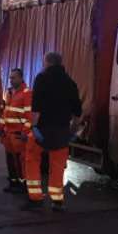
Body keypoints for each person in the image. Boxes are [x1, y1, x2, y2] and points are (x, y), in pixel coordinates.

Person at [24, 52, 82, 211]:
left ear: (48, 63)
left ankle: (35, 198)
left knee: (32, 159)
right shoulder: (70, 83)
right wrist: (73, 128)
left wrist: (34, 127)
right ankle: (57, 200)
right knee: (57, 165)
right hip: (62, 130)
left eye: (43, 62)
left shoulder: (42, 79)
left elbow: (36, 106)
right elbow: (77, 110)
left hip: (43, 129)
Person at [0, 68, 31, 194]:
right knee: (10, 160)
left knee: (21, 161)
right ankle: (13, 182)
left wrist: (25, 133)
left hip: (18, 134)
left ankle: (23, 186)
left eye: (13, 78)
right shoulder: (10, 93)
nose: (11, 80)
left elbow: (29, 117)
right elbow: (6, 113)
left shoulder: (27, 93)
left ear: (21, 78)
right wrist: (0, 127)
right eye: (10, 78)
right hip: (8, 134)